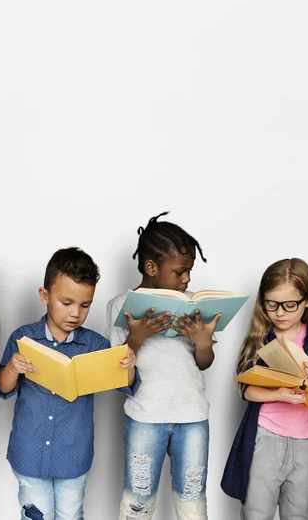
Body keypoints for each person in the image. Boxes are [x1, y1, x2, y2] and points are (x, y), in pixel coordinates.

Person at [0, 246, 138, 520]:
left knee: (71, 515)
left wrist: (128, 366)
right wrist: (13, 367)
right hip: (29, 450)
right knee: (38, 515)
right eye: (66, 303)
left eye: (85, 305)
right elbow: (2, 388)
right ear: (45, 296)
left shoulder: (96, 345)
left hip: (73, 454)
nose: (76, 313)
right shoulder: (24, 337)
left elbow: (126, 385)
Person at [105, 211, 222, 520]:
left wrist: (203, 341)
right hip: (146, 417)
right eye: (180, 271)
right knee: (138, 501)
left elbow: (204, 363)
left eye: (190, 271)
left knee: (192, 499)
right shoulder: (121, 306)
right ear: (151, 267)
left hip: (192, 416)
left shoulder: (193, 305)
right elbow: (116, 374)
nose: (187, 279)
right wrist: (136, 338)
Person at [221, 258, 308, 518]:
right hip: (265, 438)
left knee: (298, 514)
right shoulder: (260, 339)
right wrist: (278, 394)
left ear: (307, 301)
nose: (279, 313)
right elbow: (245, 390)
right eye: (271, 304)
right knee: (257, 512)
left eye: (289, 305)